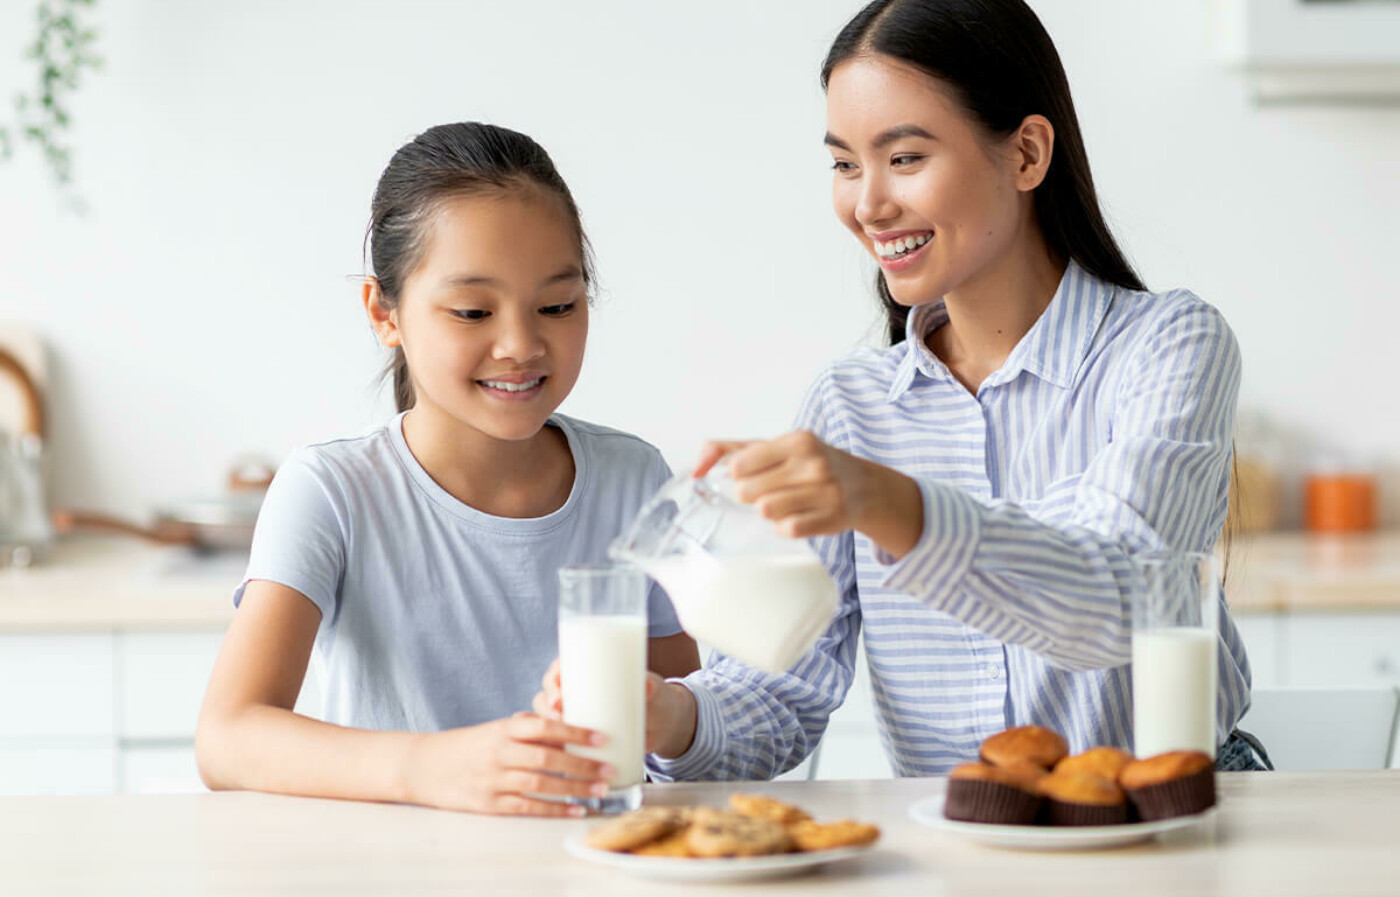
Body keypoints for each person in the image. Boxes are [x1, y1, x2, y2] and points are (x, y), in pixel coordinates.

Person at [540, 0, 1267, 778]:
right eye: (845, 164)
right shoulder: (852, 405)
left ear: (1026, 154)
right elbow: (784, 689)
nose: (868, 204)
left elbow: (1122, 593)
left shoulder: (1168, 345)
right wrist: (672, 715)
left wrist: (891, 504)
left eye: (906, 158)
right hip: (965, 838)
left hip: (1169, 827)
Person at [196, 122, 699, 816]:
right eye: (472, 311)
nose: (521, 344)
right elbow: (228, 737)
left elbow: (685, 735)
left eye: (558, 304)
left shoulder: (634, 479)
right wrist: (430, 766)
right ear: (385, 313)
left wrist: (664, 717)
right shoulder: (333, 492)